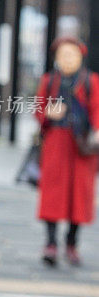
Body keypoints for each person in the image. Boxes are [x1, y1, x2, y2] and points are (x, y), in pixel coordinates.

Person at [34, 35, 99, 267]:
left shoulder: (91, 81)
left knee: (79, 196)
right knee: (52, 194)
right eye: (63, 55)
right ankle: (51, 243)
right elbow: (38, 109)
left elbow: (97, 112)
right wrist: (48, 114)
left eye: (71, 54)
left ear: (80, 56)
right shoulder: (49, 80)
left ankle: (72, 243)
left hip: (82, 148)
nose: (67, 59)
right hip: (56, 144)